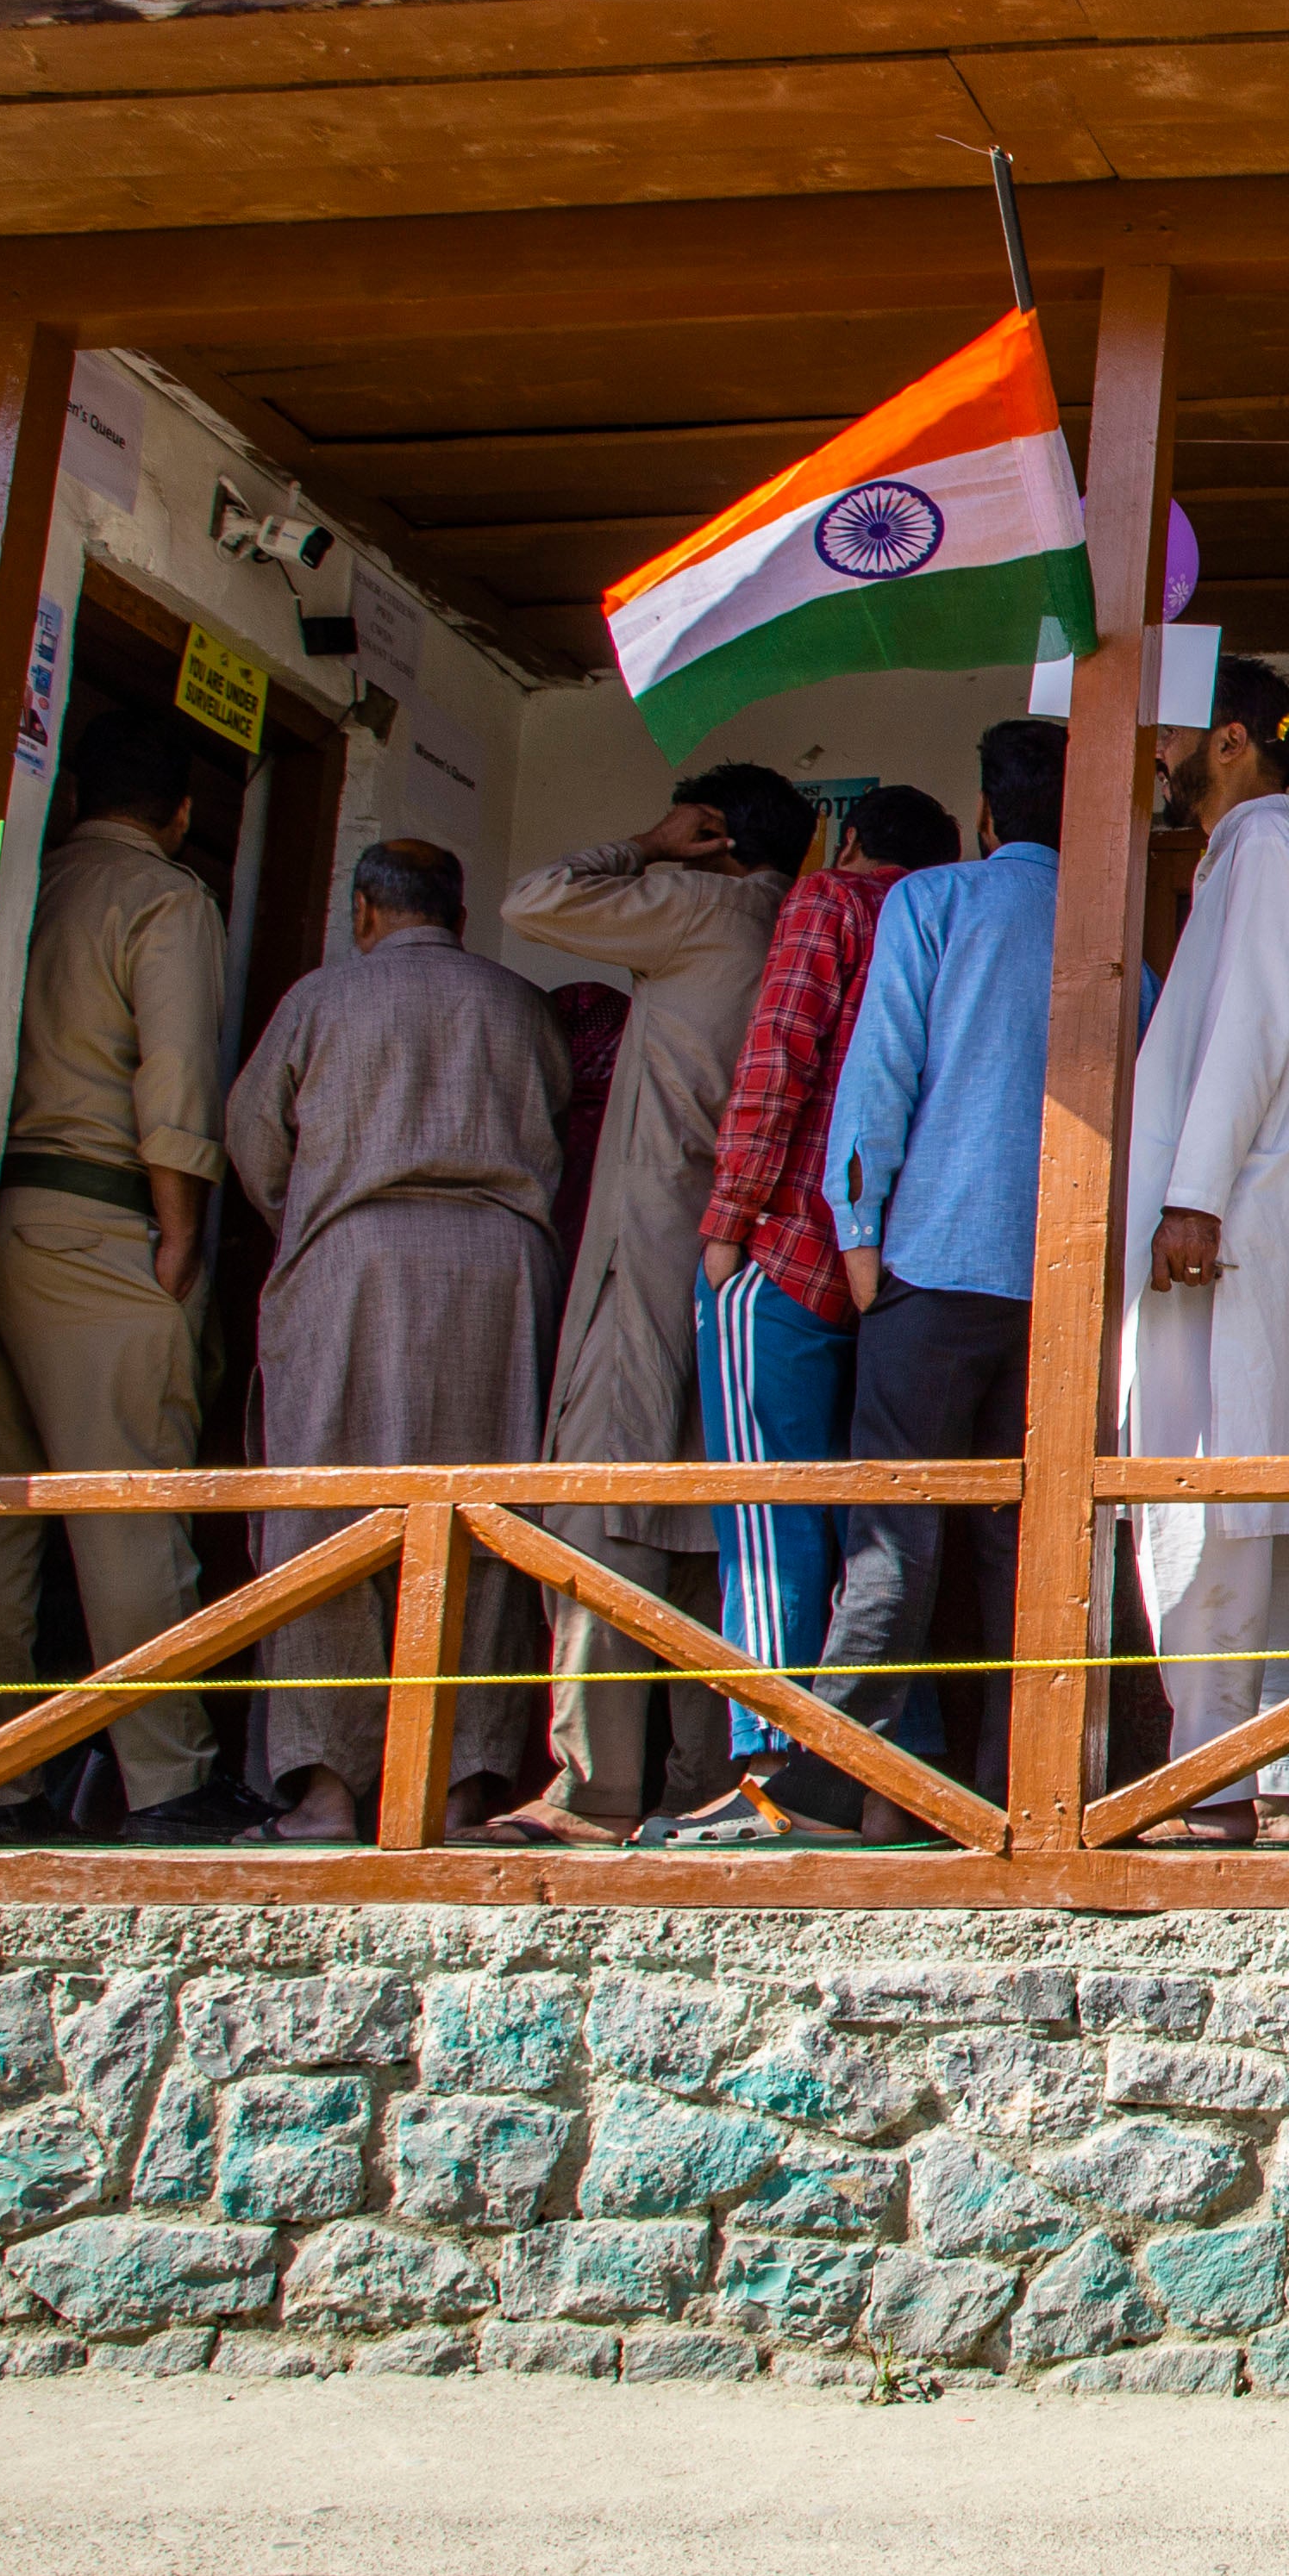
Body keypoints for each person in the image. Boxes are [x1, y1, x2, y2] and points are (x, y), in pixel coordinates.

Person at [693, 720, 1061, 1847]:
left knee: (892, 1538)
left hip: (931, 1265)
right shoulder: (1119, 940)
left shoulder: (935, 902)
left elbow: (880, 1076)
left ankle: (824, 1787)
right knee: (1025, 1549)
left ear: (986, 812)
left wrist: (859, 1240)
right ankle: (1005, 1792)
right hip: (1060, 1289)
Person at [467, 761, 814, 1847]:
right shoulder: (805, 931)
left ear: (715, 832)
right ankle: (701, 1783)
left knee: (599, 1505)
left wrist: (651, 844)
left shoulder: (701, 903)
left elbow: (534, 900)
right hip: (754, 1267)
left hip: (658, 1249)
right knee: (721, 1522)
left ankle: (592, 1790)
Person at [219, 839, 573, 1845]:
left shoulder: (322, 999)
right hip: (501, 1279)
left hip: (354, 1267)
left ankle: (330, 1793)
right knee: (488, 1525)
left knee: (326, 1523)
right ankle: (462, 1790)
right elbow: (554, 1123)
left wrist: (321, 1217)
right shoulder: (519, 1003)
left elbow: (255, 1137)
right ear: (459, 913)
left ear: (366, 910)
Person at [0, 710, 241, 1839]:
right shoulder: (165, 898)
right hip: (105, 1223)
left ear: (73, 796)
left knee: (1, 1516)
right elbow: (171, 1081)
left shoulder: (26, 882)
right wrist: (179, 1232)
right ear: (181, 813)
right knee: (127, 1513)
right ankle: (169, 1781)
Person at [666, 779, 959, 1838]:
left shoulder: (830, 902)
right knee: (881, 1530)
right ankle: (895, 1768)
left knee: (767, 1516)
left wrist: (727, 1220)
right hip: (898, 1272)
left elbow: (779, 1059)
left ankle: (773, 1766)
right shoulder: (949, 918)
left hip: (790, 1250)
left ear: (849, 838)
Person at [1117, 659, 1289, 1848]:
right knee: (1262, 1516)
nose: (1150, 755)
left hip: (1226, 1237)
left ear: (1227, 741)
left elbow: (1249, 1033)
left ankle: (1210, 1787)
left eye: (1165, 733)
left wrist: (1192, 1196)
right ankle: (1282, 1784)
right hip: (1247, 1232)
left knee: (1207, 1502)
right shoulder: (1265, 855)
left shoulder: (1266, 849)